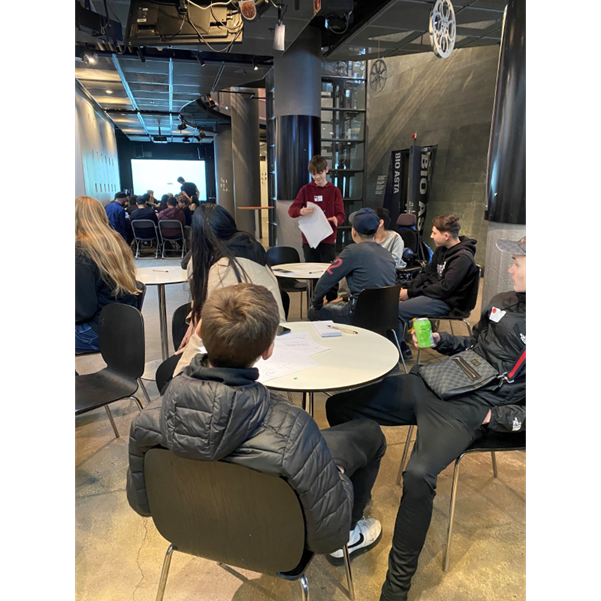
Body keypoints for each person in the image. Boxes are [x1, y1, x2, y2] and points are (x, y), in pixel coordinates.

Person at [325, 236, 527, 601]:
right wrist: (438, 340)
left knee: (418, 476)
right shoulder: (501, 302)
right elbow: (475, 346)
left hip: (476, 406)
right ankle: (349, 519)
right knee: (341, 406)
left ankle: (395, 591)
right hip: (444, 378)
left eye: (518, 262)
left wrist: (494, 417)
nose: (510, 268)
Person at [126, 283, 386, 561]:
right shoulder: (294, 432)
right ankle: (353, 534)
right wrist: (337, 477)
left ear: (199, 331)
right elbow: (328, 534)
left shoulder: (146, 422)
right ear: (269, 349)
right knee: (368, 434)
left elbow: (142, 503)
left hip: (193, 533)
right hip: (276, 546)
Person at [175, 204, 287, 374]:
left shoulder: (222, 268)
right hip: (270, 337)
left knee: (180, 366)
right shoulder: (251, 248)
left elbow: (215, 327)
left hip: (241, 347)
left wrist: (194, 341)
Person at [397, 214, 478, 359]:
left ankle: (399, 350)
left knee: (395, 311)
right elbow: (427, 272)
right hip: (435, 295)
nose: (431, 236)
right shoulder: (442, 250)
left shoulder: (463, 258)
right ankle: (400, 344)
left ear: (446, 235)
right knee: (394, 302)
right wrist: (406, 287)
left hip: (449, 303)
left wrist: (410, 293)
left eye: (434, 233)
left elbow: (445, 288)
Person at [308, 207, 396, 325]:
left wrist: (317, 303)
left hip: (358, 314)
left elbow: (325, 281)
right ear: (375, 232)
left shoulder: (352, 251)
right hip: (386, 315)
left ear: (353, 231)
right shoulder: (386, 253)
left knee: (313, 312)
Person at [75, 196, 140, 352]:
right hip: (124, 322)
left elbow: (83, 311)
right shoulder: (115, 242)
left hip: (98, 330)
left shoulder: (81, 252)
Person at [288, 155, 346, 302]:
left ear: (326, 170)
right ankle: (314, 303)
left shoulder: (334, 191)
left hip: (327, 238)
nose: (317, 177)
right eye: (314, 174)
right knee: (311, 271)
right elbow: (292, 210)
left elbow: (341, 215)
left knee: (329, 271)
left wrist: (335, 220)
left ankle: (332, 302)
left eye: (319, 173)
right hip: (310, 238)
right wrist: (301, 211)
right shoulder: (306, 189)